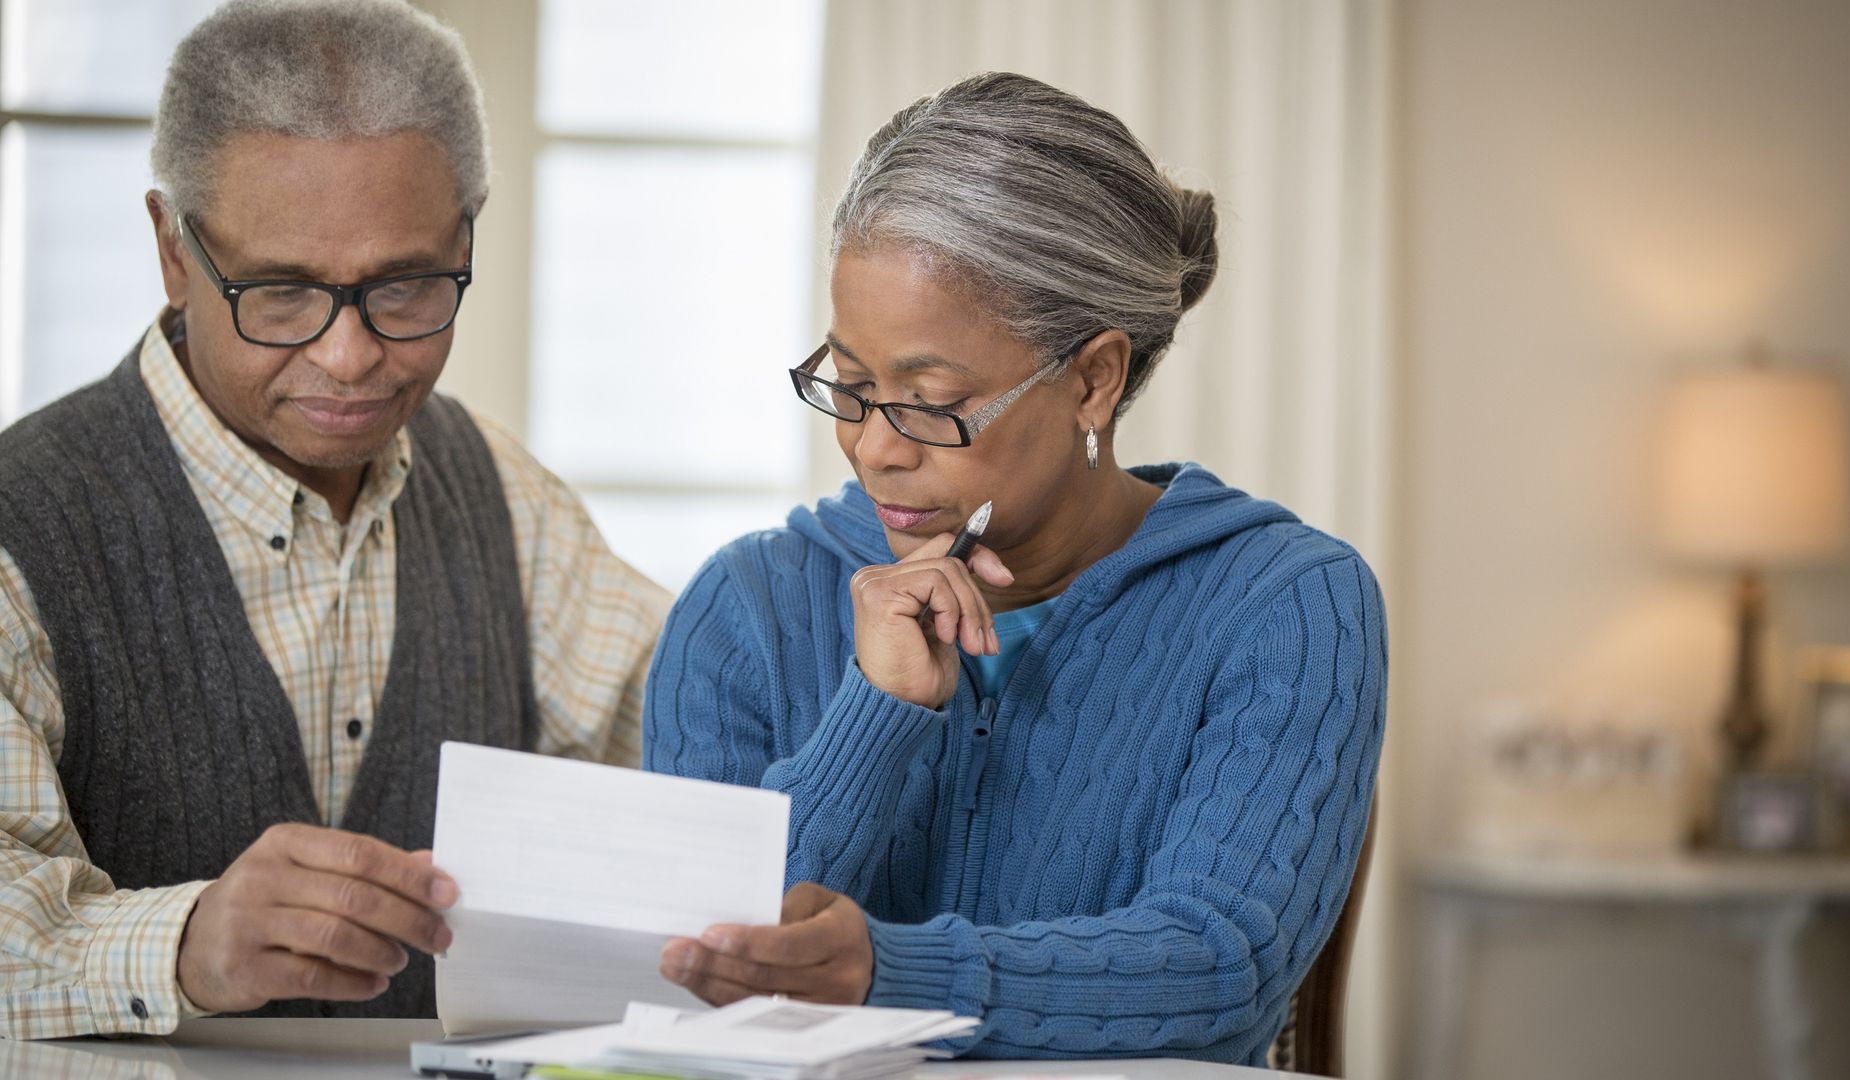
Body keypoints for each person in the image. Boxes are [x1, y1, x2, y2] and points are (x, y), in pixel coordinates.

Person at [644, 72, 1387, 1065]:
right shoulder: (746, 606)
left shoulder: (1286, 607)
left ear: (1093, 378)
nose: (874, 449)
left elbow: (1223, 972)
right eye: (850, 385)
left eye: (929, 401)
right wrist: (875, 712)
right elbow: (686, 965)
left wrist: (889, 976)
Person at [0, 0, 670, 1036]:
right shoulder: (21, 529)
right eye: (279, 293)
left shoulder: (502, 494)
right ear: (173, 250)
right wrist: (181, 943)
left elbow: (680, 740)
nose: (350, 358)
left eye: (405, 288)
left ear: (465, 237)